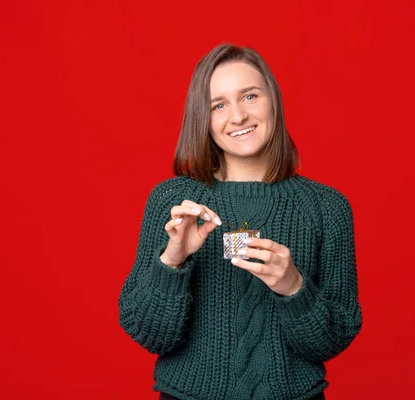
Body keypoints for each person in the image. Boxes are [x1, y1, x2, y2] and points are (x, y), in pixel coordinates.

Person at [118, 43, 363, 400]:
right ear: (202, 118)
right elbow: (149, 332)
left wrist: (294, 287)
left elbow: (332, 340)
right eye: (219, 105)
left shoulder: (327, 208)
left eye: (249, 96)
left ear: (273, 101)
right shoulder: (172, 203)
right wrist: (172, 261)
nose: (238, 117)